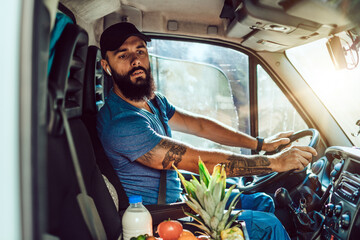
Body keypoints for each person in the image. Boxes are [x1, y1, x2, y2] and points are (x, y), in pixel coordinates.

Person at [97, 22, 317, 239]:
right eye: (123, 55)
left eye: (140, 51)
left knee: (263, 201)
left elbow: (200, 126)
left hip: (182, 199)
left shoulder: (152, 100)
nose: (136, 60)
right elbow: (197, 162)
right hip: (160, 218)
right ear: (106, 66)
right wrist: (275, 162)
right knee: (268, 225)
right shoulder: (121, 124)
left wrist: (260, 144)